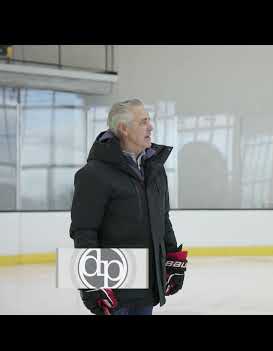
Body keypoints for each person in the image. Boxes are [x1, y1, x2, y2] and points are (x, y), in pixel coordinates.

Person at [70, 99, 187, 315]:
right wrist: (92, 283)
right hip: (113, 289)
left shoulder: (155, 170)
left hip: (147, 284)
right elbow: (84, 232)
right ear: (124, 129)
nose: (150, 127)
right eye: (143, 122)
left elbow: (163, 219)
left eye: (149, 120)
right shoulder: (93, 175)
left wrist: (172, 258)